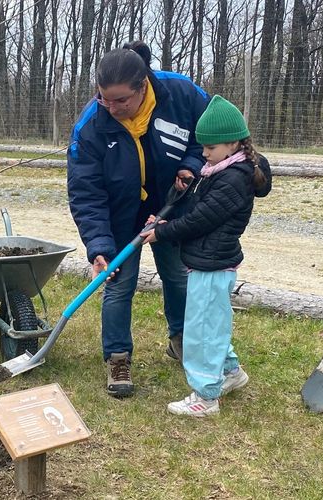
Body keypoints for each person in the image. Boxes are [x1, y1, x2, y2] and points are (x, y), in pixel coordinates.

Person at [67, 41, 210, 398]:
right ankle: (118, 357)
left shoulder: (180, 93)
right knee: (118, 284)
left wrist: (191, 166)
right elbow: (86, 192)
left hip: (170, 208)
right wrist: (98, 245)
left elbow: (208, 135)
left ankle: (181, 340)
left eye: (121, 101)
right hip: (119, 216)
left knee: (177, 276)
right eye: (104, 99)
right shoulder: (90, 126)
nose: (111, 108)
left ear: (143, 85)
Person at [140, 96, 271, 417]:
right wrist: (168, 221)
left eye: (209, 148)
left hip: (213, 266)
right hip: (209, 262)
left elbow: (202, 220)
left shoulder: (232, 179)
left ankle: (205, 396)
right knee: (212, 324)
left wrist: (163, 233)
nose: (203, 153)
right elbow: (201, 214)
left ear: (231, 144)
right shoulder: (221, 170)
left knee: (201, 331)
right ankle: (231, 373)